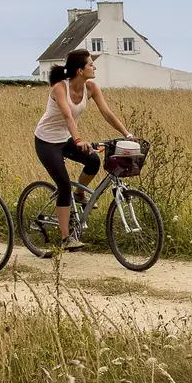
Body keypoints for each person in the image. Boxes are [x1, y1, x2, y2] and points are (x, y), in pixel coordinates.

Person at [34, 48, 133, 249]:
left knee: (93, 160)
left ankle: (79, 194)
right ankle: (66, 238)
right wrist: (78, 139)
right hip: (47, 141)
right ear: (80, 70)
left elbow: (107, 113)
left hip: (66, 139)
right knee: (63, 186)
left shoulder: (92, 88)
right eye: (91, 64)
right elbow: (67, 115)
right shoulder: (60, 88)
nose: (94, 67)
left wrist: (127, 134)